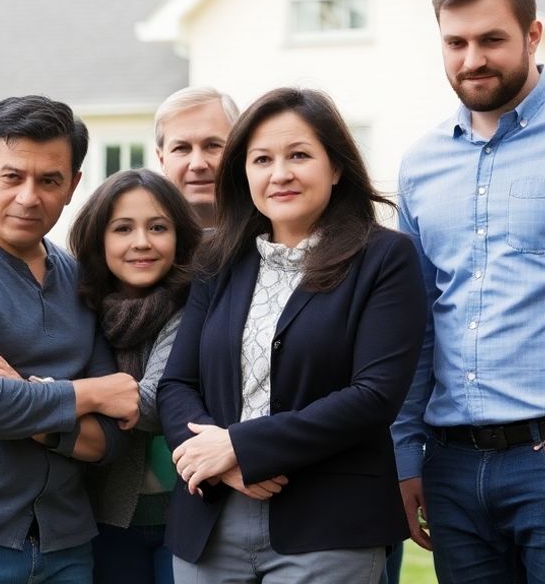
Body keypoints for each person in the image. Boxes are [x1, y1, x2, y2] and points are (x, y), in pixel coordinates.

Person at [392, 0, 545, 583]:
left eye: (491, 40)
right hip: (452, 468)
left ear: (533, 36)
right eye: (455, 43)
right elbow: (419, 321)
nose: (471, 59)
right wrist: (407, 454)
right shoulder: (421, 165)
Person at [158, 87, 426, 583]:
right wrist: (219, 462)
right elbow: (176, 386)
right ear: (245, 173)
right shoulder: (217, 264)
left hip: (328, 523)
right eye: (262, 159)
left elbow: (374, 397)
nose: (279, 173)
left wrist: (242, 447)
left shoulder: (385, 259)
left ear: (336, 167)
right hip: (211, 519)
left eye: (299, 155)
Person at [0, 94, 141, 584]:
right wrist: (91, 394)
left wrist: (26, 400)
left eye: (49, 181)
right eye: (12, 176)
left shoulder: (81, 277)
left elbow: (110, 438)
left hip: (66, 546)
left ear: (73, 186)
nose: (29, 196)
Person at [0, 169, 204, 584]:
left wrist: (28, 394)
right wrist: (75, 400)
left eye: (158, 227)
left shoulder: (194, 307)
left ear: (180, 237)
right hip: (104, 516)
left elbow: (152, 401)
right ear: (99, 238)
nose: (141, 242)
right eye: (122, 228)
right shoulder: (81, 307)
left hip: (190, 516)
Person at [155, 86, 240, 229]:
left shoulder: (275, 237)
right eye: (181, 148)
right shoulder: (143, 242)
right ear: (161, 160)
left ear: (238, 150)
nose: (197, 164)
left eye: (212, 145)